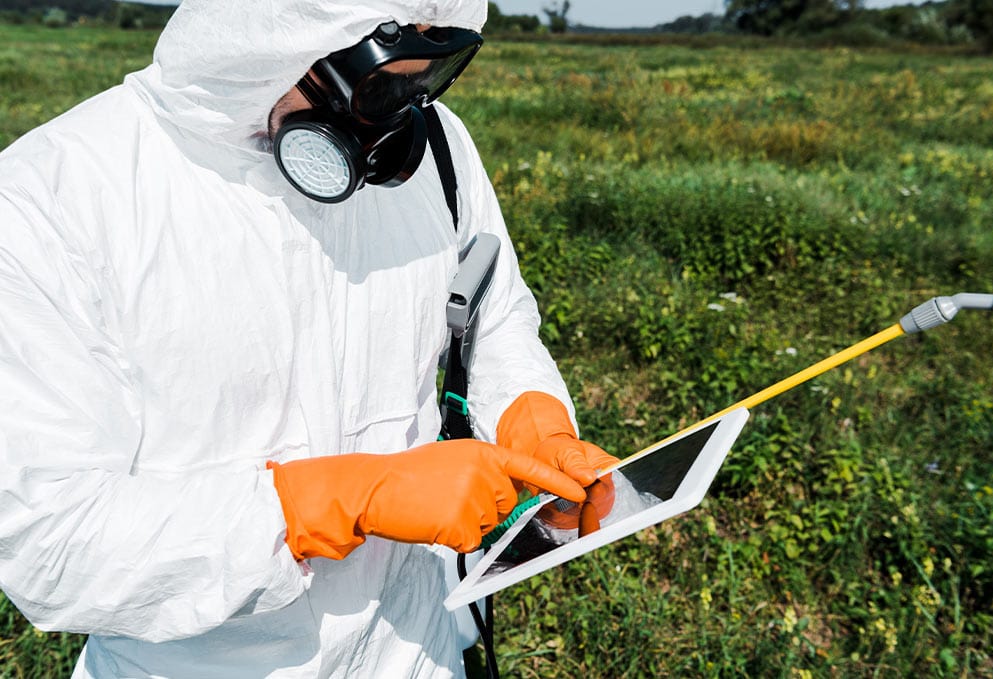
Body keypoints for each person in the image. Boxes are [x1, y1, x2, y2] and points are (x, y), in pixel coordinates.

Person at [0, 0, 617, 677]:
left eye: (421, 82)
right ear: (274, 33)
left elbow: (492, 314)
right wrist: (326, 505)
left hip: (419, 653)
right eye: (376, 85)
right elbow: (50, 544)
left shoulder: (435, 145)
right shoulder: (50, 201)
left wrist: (531, 418)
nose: (392, 123)